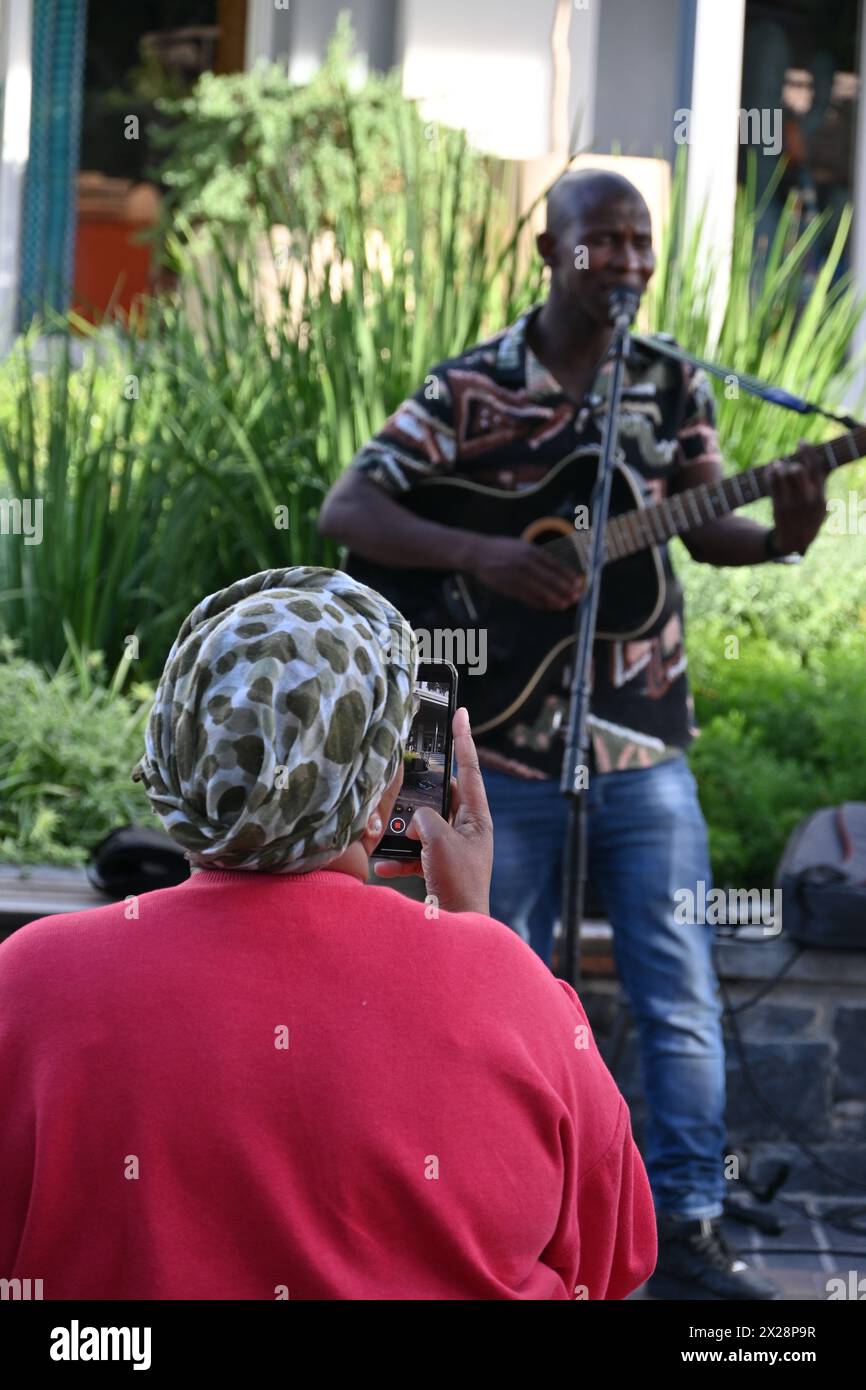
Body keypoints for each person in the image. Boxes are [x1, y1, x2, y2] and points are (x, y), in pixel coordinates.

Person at [318, 169, 828, 1300]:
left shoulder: (668, 382)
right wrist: (490, 556)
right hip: (492, 749)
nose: (629, 262)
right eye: (604, 241)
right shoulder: (469, 388)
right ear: (548, 250)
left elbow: (707, 523)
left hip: (641, 742)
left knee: (677, 985)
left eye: (640, 243)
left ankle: (685, 1227)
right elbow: (347, 512)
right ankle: (476, 1213)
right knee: (470, 983)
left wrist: (785, 530)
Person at [0, 567, 655, 1301]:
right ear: (382, 783)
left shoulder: (29, 979)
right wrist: (471, 944)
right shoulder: (511, 986)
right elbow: (613, 1254)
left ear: (174, 752)